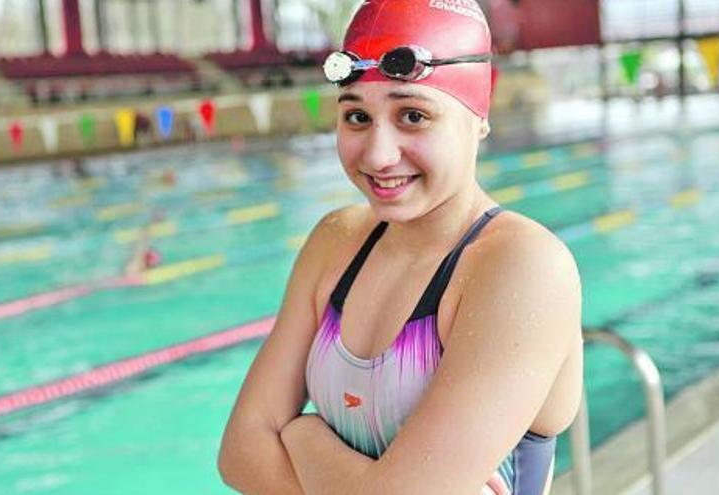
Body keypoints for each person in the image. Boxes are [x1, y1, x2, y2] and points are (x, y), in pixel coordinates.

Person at [218, 1, 583, 494]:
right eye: (356, 117)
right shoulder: (337, 241)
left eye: (413, 115)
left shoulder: (523, 267)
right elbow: (239, 455)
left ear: (478, 115)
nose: (378, 154)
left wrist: (303, 435)